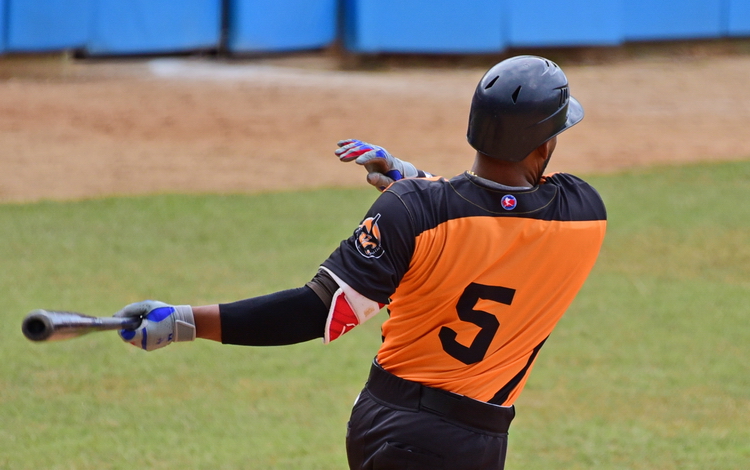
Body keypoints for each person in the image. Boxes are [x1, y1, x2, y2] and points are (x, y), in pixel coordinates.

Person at [114, 55, 607, 470]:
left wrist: (184, 322)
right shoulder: (584, 215)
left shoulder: (411, 212)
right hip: (470, 440)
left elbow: (315, 310)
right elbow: (502, 211)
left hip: (387, 422)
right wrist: (415, 181)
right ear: (544, 145)